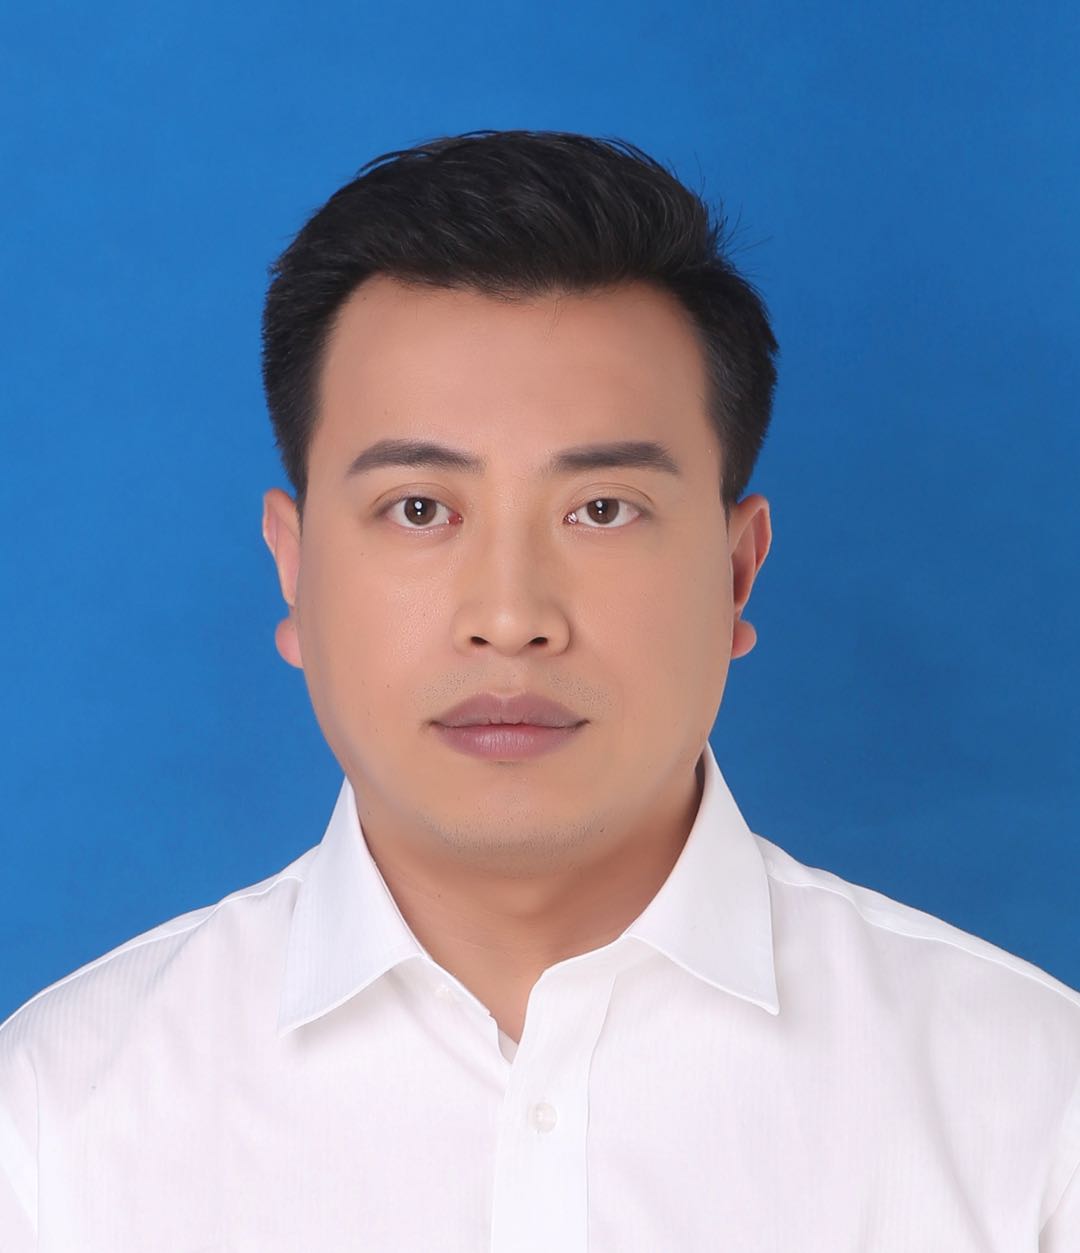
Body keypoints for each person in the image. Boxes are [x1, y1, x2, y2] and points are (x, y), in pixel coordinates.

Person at [1, 129, 1077, 1252]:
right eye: (420, 508)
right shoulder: (54, 1125)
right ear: (295, 568)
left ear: (736, 571)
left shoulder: (1034, 1112)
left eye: (602, 509)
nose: (511, 616)